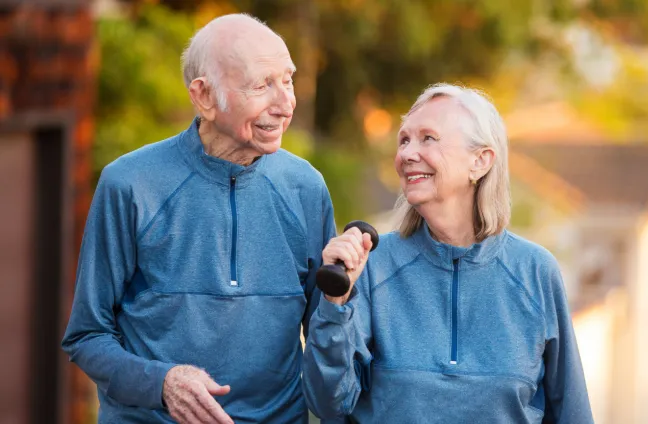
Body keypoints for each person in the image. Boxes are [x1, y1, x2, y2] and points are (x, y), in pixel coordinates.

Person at [61, 14, 336, 423]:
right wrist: (161, 382)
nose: (285, 104)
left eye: (288, 80)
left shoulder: (306, 188)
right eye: (262, 85)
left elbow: (329, 339)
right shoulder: (130, 184)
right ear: (204, 97)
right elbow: (86, 336)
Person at [302, 83, 594, 423]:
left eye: (428, 138)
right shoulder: (372, 266)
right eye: (404, 140)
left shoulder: (535, 271)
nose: (408, 154)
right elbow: (327, 404)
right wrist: (334, 305)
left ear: (480, 161)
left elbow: (572, 411)